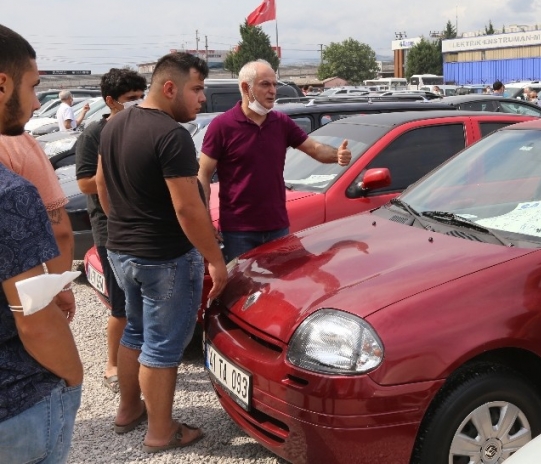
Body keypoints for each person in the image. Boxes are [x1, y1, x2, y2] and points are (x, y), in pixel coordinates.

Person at [96, 52, 227, 453]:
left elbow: (101, 184)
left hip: (122, 250)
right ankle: (161, 431)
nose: (202, 98)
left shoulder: (114, 124)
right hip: (164, 258)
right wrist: (217, 262)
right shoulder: (171, 135)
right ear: (169, 88)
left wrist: (126, 222)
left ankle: (128, 410)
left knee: (134, 331)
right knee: (163, 346)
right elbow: (188, 207)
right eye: (197, 88)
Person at [0, 24, 84, 463]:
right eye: (34, 87)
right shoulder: (9, 192)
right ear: (2, 83)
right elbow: (32, 316)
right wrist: (73, 379)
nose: (36, 103)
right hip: (15, 404)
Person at [198, 60, 352, 262]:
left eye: (274, 84)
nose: (273, 91)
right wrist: (206, 221)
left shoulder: (281, 123)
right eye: (265, 84)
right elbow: (203, 175)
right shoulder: (222, 126)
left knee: (279, 288)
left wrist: (336, 155)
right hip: (238, 231)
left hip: (277, 226)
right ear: (246, 87)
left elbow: (313, 148)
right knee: (243, 290)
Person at [75, 68, 146, 394]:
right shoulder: (94, 134)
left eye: (140, 96)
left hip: (143, 227)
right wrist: (117, 172)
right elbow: (85, 182)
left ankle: (143, 363)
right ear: (110, 101)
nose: (137, 103)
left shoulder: (145, 127)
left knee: (143, 303)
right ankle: (113, 364)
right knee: (120, 306)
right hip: (110, 230)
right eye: (130, 99)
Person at [0, 131, 75, 321]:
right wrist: (61, 287)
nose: (37, 104)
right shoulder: (16, 142)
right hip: (14, 291)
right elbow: (60, 231)